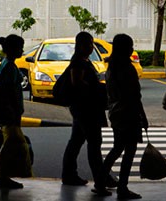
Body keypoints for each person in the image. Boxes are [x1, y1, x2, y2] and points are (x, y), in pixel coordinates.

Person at [61, 31, 111, 196]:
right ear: (80, 45)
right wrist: (96, 90)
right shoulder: (78, 63)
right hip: (86, 108)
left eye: (92, 43)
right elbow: (77, 83)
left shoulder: (83, 60)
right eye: (88, 44)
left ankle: (69, 175)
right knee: (94, 144)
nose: (91, 47)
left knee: (76, 141)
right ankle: (101, 180)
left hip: (82, 108)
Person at [0, 34, 33, 188]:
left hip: (10, 111)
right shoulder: (10, 67)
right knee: (14, 144)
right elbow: (8, 91)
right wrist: (12, 110)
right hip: (10, 112)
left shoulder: (6, 63)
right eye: (20, 47)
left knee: (10, 143)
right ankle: (2, 175)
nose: (22, 50)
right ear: (13, 49)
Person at [102, 34, 147, 199]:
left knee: (117, 148)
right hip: (128, 113)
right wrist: (142, 116)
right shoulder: (127, 68)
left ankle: (101, 181)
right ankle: (122, 187)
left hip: (116, 113)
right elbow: (134, 95)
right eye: (130, 45)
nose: (132, 49)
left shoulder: (111, 67)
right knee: (129, 151)